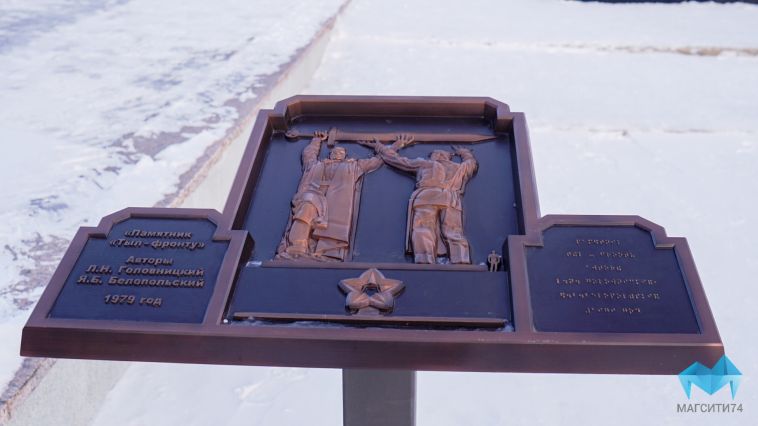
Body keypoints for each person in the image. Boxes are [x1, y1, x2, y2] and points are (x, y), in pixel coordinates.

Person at [359, 135, 477, 264]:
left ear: (436, 156)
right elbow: (471, 163)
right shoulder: (459, 168)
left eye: (434, 154)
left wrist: (380, 147)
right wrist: (465, 153)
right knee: (453, 231)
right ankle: (461, 261)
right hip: (450, 199)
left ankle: (424, 261)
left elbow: (397, 160)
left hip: (427, 197)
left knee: (423, 228)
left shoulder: (425, 164)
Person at [277, 131, 382, 261]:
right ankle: (297, 248)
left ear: (344, 156)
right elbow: (309, 154)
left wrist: (385, 148)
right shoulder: (316, 165)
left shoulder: (353, 166)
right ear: (330, 154)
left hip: (337, 199)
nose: (337, 154)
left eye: (341, 152)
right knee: (306, 210)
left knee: (330, 226)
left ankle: (323, 254)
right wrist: (316, 140)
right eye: (335, 152)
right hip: (314, 193)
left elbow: (374, 162)